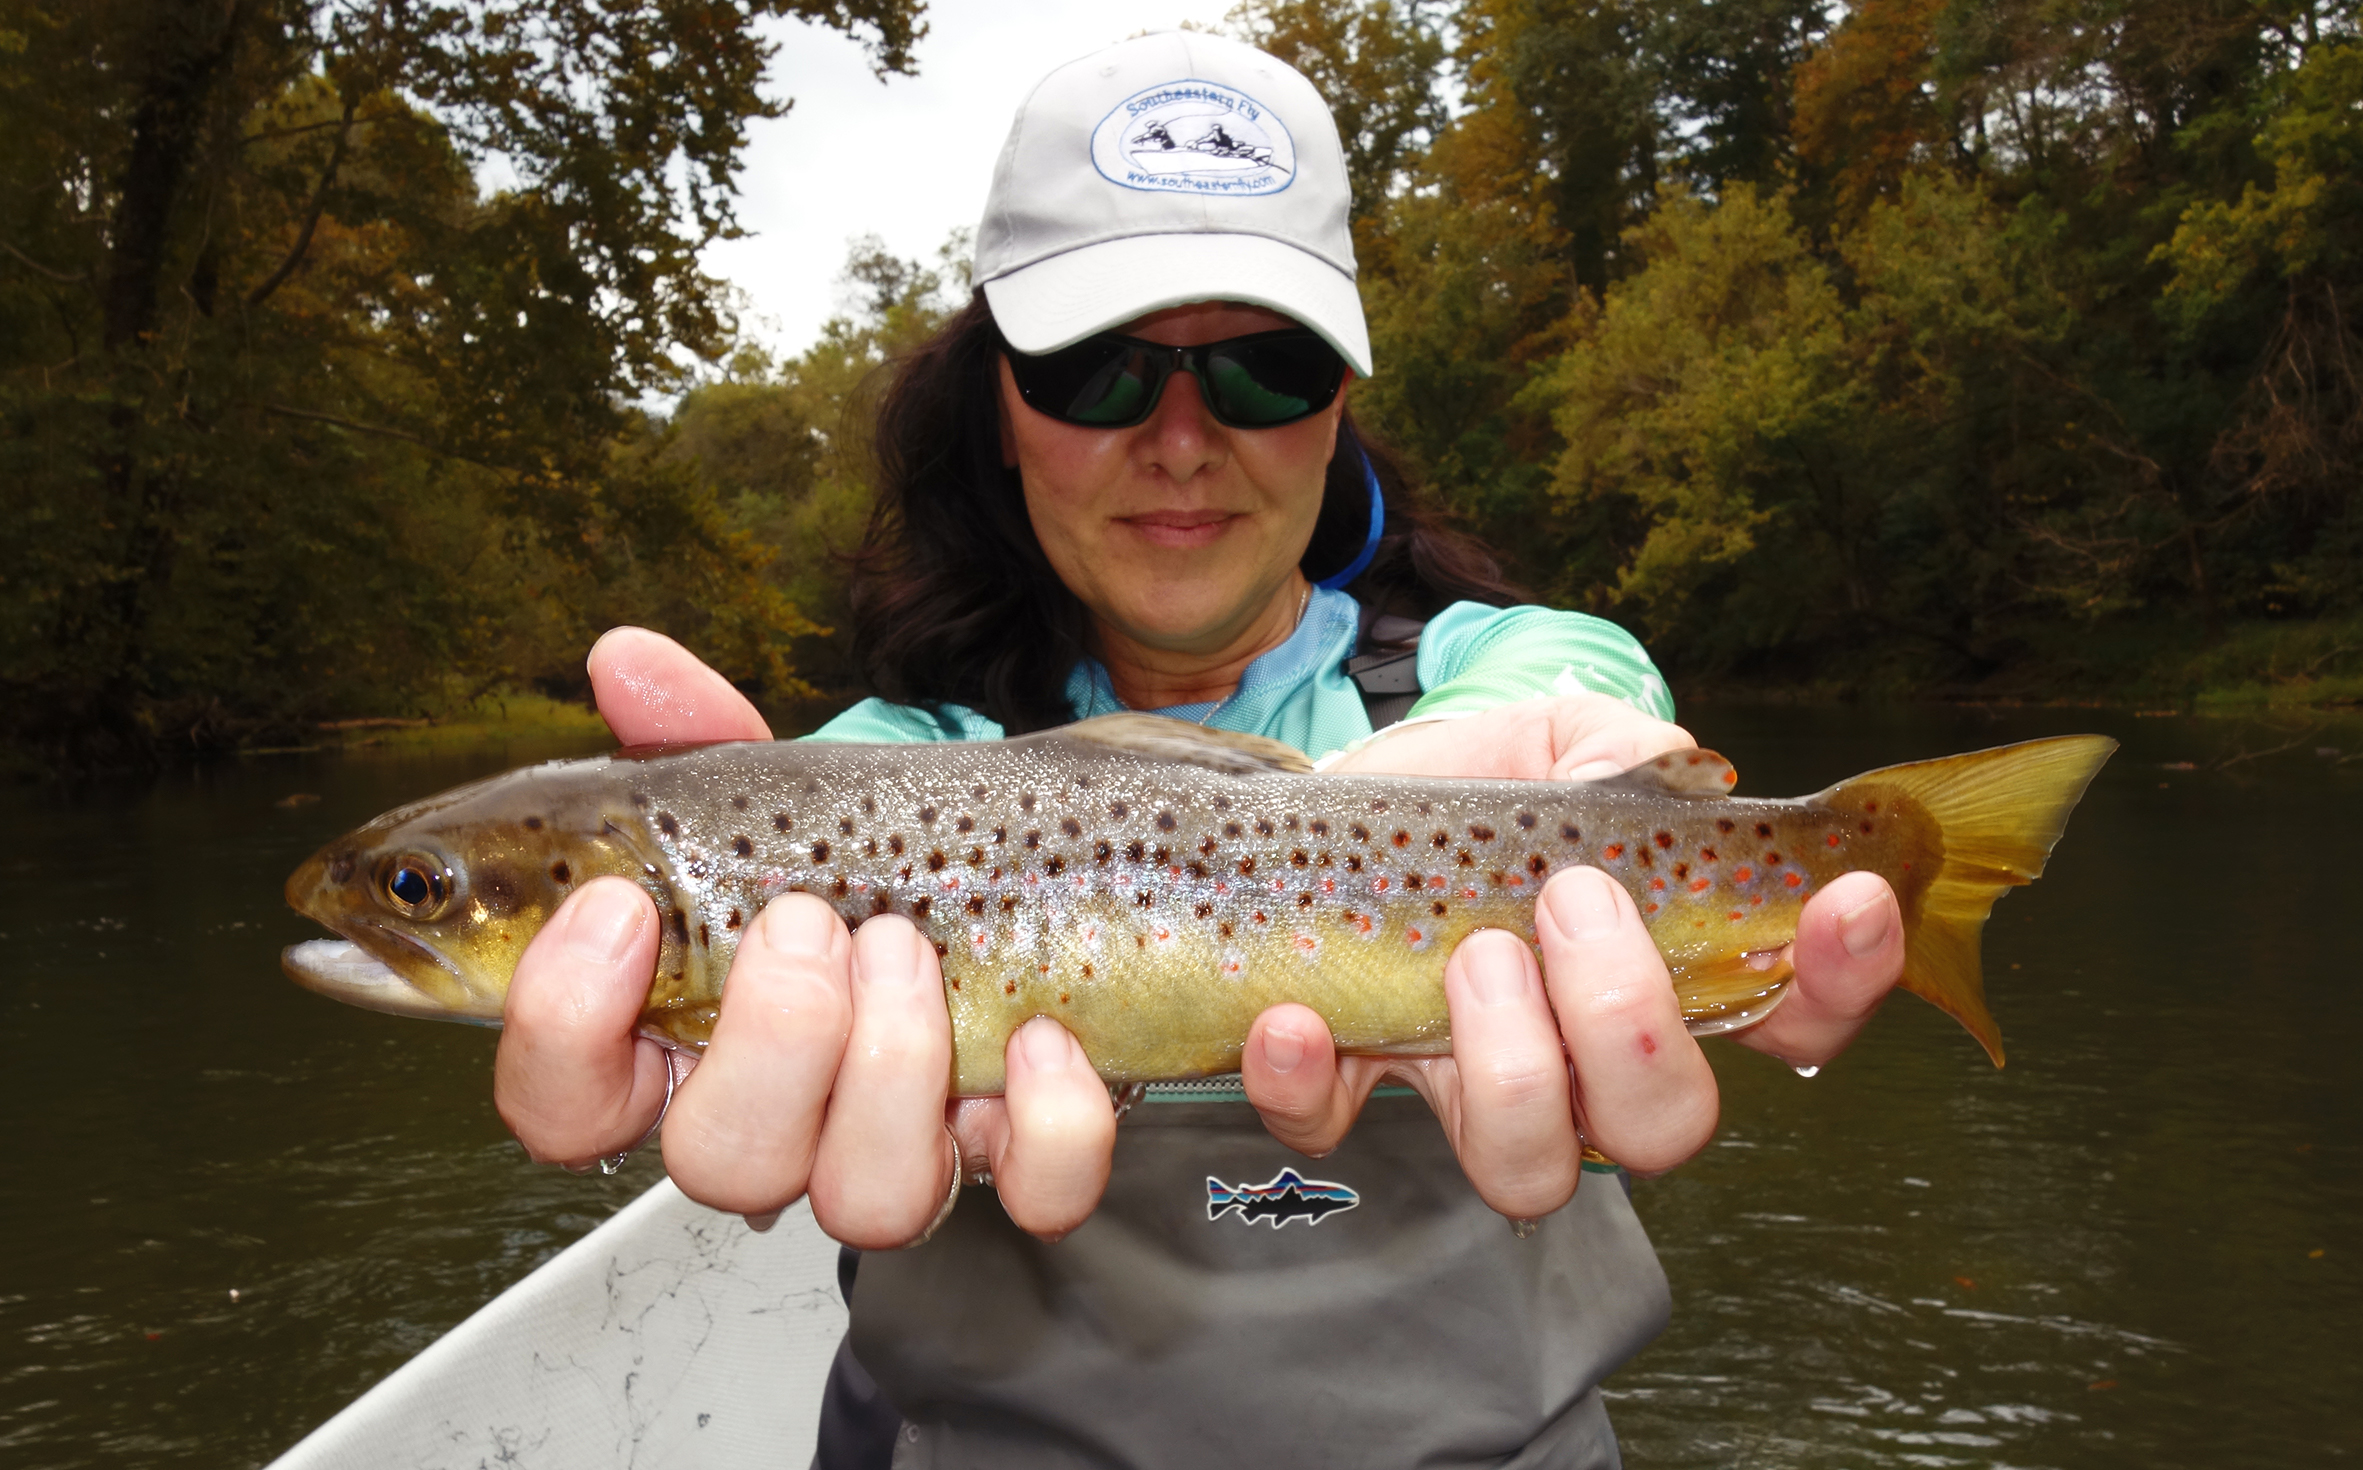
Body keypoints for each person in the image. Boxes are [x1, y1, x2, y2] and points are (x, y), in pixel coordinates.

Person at [494, 31, 1905, 1468]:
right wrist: (669, 1051)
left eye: (1264, 370)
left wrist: (1576, 757)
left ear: (1339, 405)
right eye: (1100, 372)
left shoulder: (1501, 678)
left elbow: (1582, 684)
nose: (1180, 438)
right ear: (999, 404)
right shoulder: (880, 778)